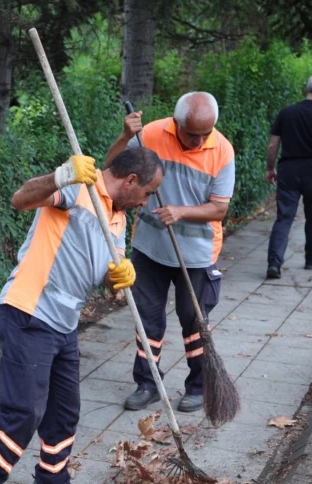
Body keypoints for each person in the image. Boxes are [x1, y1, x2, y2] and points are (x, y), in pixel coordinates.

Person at [0, 148, 165, 484]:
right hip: (29, 311)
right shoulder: (78, 189)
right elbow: (20, 199)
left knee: (64, 412)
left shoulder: (116, 216)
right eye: (147, 193)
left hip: (65, 322)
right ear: (131, 180)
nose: (146, 201)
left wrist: (118, 275)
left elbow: (105, 269)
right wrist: (60, 176)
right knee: (24, 411)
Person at [104, 92, 235, 414]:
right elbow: (112, 172)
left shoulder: (222, 150)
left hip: (197, 254)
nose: (200, 140)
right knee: (147, 319)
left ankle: (199, 387)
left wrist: (180, 212)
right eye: (193, 133)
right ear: (176, 123)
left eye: (206, 133)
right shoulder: (150, 135)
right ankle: (147, 383)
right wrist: (125, 136)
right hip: (150, 249)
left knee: (194, 322)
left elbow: (219, 209)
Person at [265, 74, 312, 279]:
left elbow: (273, 145)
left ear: (305, 89)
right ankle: (311, 258)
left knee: (284, 217)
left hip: (289, 171)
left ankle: (274, 262)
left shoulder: (286, 113)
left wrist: (270, 168)